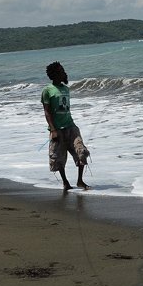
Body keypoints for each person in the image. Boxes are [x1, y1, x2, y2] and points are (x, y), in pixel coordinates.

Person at [41, 62, 90, 190]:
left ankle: (80, 181)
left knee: (81, 151)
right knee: (58, 157)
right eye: (61, 70)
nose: (64, 73)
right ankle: (65, 182)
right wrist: (53, 129)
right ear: (55, 74)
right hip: (57, 129)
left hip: (71, 126)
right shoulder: (47, 90)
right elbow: (47, 111)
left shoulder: (65, 88)